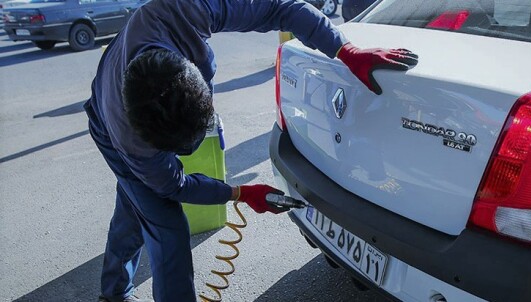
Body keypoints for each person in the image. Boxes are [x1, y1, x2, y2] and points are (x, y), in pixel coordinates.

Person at [84, 0, 418, 301]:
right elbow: (175, 186)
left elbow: (282, 7)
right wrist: (241, 192)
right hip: (105, 124)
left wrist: (345, 51)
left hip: (135, 105)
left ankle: (112, 292)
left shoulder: (186, 10)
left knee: (134, 204)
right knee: (167, 227)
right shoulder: (132, 141)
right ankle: (116, 293)